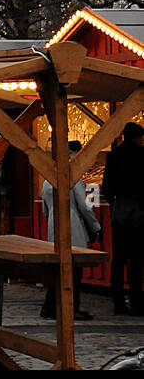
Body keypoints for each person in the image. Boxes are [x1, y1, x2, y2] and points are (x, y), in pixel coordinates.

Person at [40, 140, 100, 320]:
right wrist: (96, 226)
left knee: (59, 270)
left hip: (54, 227)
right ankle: (71, 309)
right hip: (73, 228)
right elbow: (85, 205)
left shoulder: (46, 180)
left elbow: (44, 209)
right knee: (74, 271)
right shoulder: (74, 179)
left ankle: (50, 307)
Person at [105, 122, 144, 315]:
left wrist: (114, 204)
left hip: (119, 211)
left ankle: (118, 301)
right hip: (138, 212)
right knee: (136, 260)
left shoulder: (113, 156)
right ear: (138, 137)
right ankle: (137, 301)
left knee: (119, 259)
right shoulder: (142, 156)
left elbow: (106, 187)